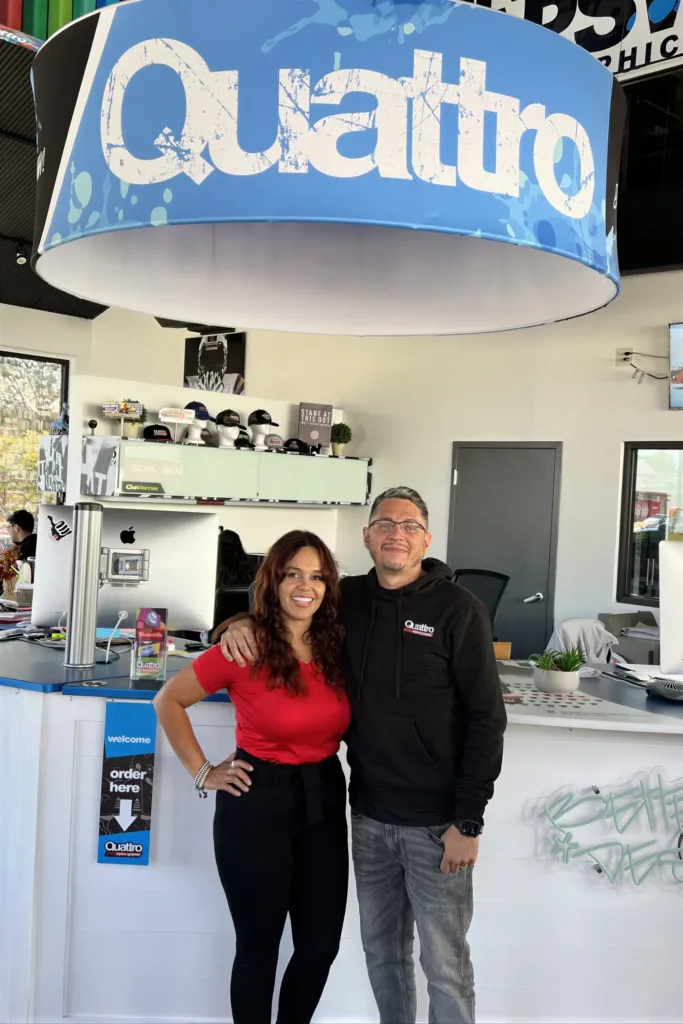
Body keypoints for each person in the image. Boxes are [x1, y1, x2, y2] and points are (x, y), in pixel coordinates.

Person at [220, 486, 507, 1024]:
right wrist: (236, 624)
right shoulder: (345, 598)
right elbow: (286, 612)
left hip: (437, 822)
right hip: (368, 816)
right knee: (384, 955)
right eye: (386, 523)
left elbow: (487, 719)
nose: (397, 533)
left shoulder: (458, 610)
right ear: (367, 534)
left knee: (444, 963)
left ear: (426, 538)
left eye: (410, 525)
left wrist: (468, 819)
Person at [154, 531, 350, 1024]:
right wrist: (203, 771)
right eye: (292, 574)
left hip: (324, 796)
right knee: (259, 949)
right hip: (256, 800)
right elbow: (169, 700)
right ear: (273, 580)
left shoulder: (337, 642)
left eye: (317, 576)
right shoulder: (246, 646)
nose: (305, 586)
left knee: (320, 945)